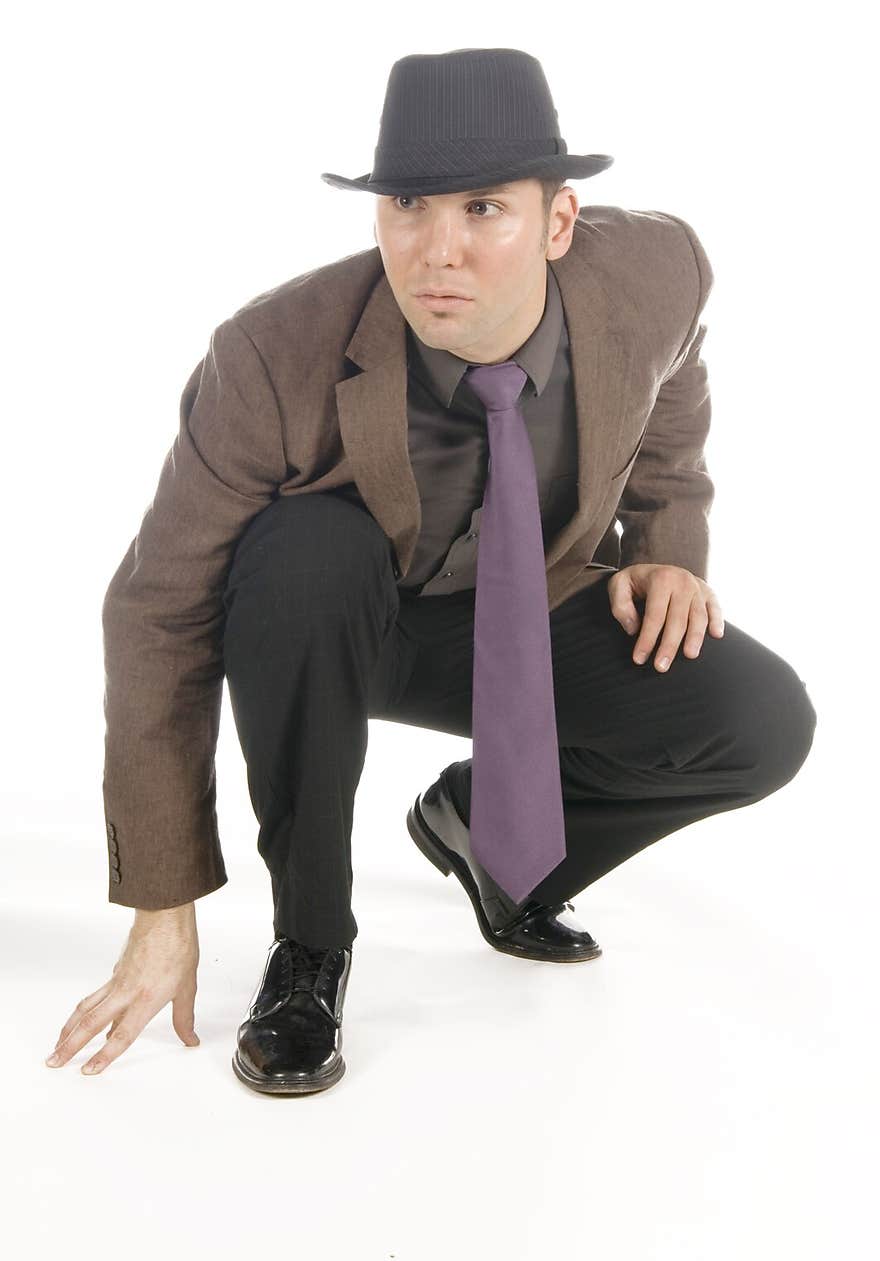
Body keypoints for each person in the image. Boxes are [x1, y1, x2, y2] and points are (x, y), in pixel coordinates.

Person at [45, 47, 817, 1095]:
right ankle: (308, 950)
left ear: (557, 223)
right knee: (305, 548)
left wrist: (667, 546)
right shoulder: (273, 355)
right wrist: (161, 909)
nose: (436, 251)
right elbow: (155, 614)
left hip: (522, 605)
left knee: (759, 721)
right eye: (408, 203)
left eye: (484, 209)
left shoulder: (655, 272)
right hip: (324, 630)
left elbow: (674, 375)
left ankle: (485, 837)